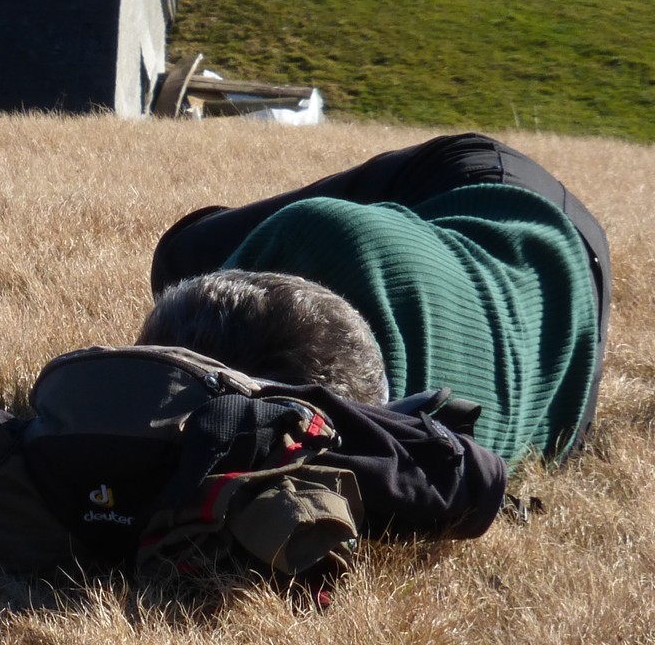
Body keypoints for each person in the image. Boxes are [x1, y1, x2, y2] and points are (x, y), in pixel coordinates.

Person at [139, 132, 608, 465]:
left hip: (535, 244)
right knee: (184, 255)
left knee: (181, 256)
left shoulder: (325, 236)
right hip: (531, 232)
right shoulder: (320, 234)